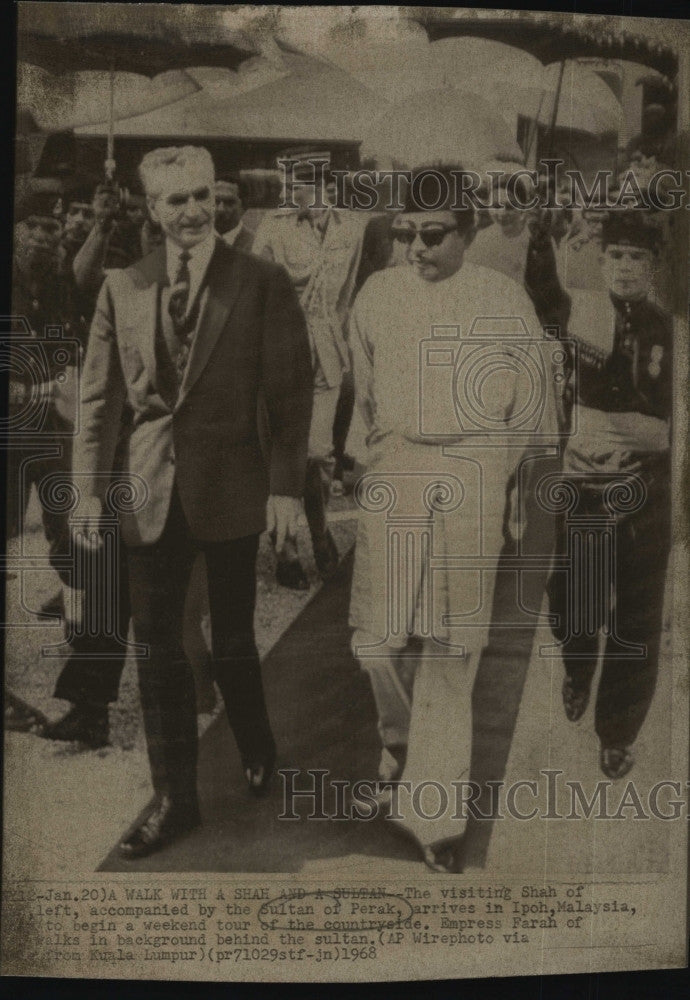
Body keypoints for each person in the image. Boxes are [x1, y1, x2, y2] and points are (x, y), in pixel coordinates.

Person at [73, 145, 312, 858]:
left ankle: (256, 737)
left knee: (234, 637)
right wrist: (85, 491)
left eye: (201, 196)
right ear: (150, 209)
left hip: (233, 486)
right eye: (175, 200)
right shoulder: (124, 285)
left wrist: (287, 489)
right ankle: (175, 797)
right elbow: (98, 400)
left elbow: (290, 393)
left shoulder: (261, 280)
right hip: (146, 489)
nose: (192, 211)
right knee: (157, 650)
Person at [348, 164, 558, 872]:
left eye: (434, 235)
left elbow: (534, 415)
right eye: (407, 233)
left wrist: (511, 487)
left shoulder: (504, 300)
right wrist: (368, 455)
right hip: (397, 470)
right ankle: (401, 738)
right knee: (376, 641)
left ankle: (435, 818)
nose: (417, 248)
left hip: (471, 473)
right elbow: (363, 385)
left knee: (451, 650)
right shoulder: (377, 294)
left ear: (467, 233)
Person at [546, 210, 672, 780]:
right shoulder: (575, 315)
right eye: (615, 256)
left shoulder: (671, 331)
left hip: (648, 486)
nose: (625, 268)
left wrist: (658, 439)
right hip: (584, 486)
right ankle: (577, 666)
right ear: (600, 262)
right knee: (577, 602)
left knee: (638, 617)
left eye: (637, 258)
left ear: (654, 267)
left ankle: (617, 729)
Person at [253, 151, 367, 589]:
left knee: (317, 453)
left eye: (311, 182)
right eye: (295, 183)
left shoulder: (350, 229)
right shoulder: (272, 228)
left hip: (326, 348)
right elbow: (254, 291)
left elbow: (346, 294)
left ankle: (316, 532)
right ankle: (289, 546)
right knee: (283, 451)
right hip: (279, 350)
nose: (301, 191)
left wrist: (338, 339)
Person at [215, 174, 254, 252]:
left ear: (244, 206)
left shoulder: (257, 244)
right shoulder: (194, 241)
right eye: (215, 201)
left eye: (229, 202)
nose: (220, 209)